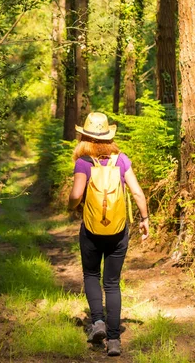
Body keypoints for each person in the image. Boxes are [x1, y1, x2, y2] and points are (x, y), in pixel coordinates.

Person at [68, 111, 149, 357]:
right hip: (118, 231)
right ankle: (114, 341)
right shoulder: (121, 159)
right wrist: (145, 219)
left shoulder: (83, 162)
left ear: (85, 136)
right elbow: (136, 192)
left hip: (91, 230)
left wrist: (70, 208)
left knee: (91, 274)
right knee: (112, 283)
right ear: (107, 136)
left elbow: (75, 195)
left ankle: (98, 322)